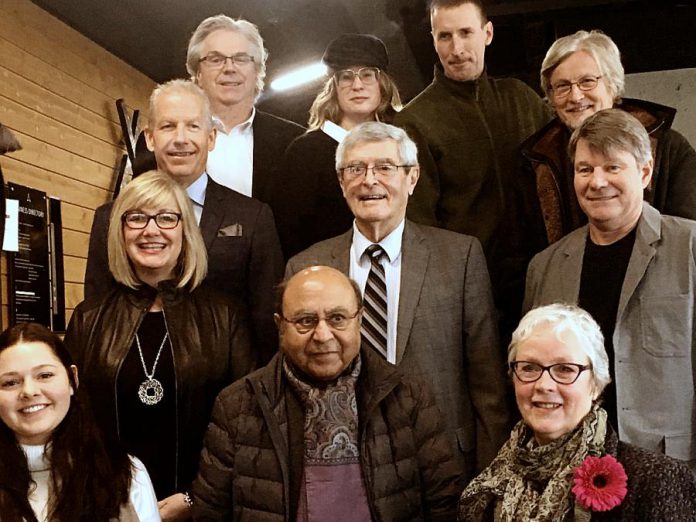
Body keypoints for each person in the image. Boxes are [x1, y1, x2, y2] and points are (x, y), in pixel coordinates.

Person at [285, 122, 510, 480]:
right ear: (342, 182)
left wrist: (492, 480)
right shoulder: (306, 267)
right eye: (355, 169)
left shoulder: (460, 257)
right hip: (344, 464)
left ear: (412, 178)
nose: (369, 180)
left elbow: (488, 387)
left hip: (445, 462)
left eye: (385, 167)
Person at [192, 266, 461, 520]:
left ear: (360, 319)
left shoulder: (407, 396)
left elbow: (443, 504)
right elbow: (211, 512)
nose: (322, 335)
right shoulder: (237, 405)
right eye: (305, 321)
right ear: (280, 326)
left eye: (337, 318)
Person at [66, 171, 253, 521]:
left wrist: (194, 497)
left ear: (185, 230)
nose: (151, 230)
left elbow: (247, 424)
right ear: (120, 232)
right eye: (136, 217)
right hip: (111, 507)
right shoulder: (88, 318)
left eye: (167, 217)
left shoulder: (225, 316)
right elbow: (74, 419)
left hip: (202, 508)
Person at [524, 109, 696, 467]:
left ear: (645, 172)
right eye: (585, 169)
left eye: (612, 167)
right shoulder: (545, 266)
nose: (597, 181)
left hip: (669, 466)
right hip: (571, 470)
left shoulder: (691, 247)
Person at [84, 79, 282, 364]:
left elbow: (267, 323)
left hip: (227, 390)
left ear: (211, 137)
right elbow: (97, 317)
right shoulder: (111, 219)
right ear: (150, 138)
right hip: (134, 380)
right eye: (168, 126)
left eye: (193, 126)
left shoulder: (253, 218)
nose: (181, 138)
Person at [459, 304, 696, 521]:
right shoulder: (493, 480)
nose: (544, 385)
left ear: (596, 384)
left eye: (564, 369)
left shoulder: (654, 479)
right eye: (529, 368)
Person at [393, 0, 551, 266]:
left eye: (466, 33)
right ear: (433, 40)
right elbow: (419, 226)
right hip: (466, 279)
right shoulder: (413, 121)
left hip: (542, 266)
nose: (457, 49)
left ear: (487, 34)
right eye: (445, 36)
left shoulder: (522, 99)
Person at [517, 30, 696, 252]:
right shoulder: (532, 162)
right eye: (562, 86)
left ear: (612, 83)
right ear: (550, 96)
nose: (576, 96)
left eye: (587, 82)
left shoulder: (668, 148)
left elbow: (688, 238)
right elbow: (519, 254)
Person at [0, 322, 160, 521]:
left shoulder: (125, 473)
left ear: (72, 380)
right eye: (10, 383)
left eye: (45, 375)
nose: (29, 391)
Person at [276, 33, 402, 257]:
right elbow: (288, 234)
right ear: (333, 86)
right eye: (346, 77)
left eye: (367, 75)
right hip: (327, 277)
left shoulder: (402, 144)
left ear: (382, 83)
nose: (357, 85)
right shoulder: (305, 152)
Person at [186, 15, 304, 215]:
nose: (229, 68)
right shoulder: (169, 138)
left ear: (257, 71)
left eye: (241, 59)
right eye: (216, 59)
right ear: (198, 73)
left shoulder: (294, 143)